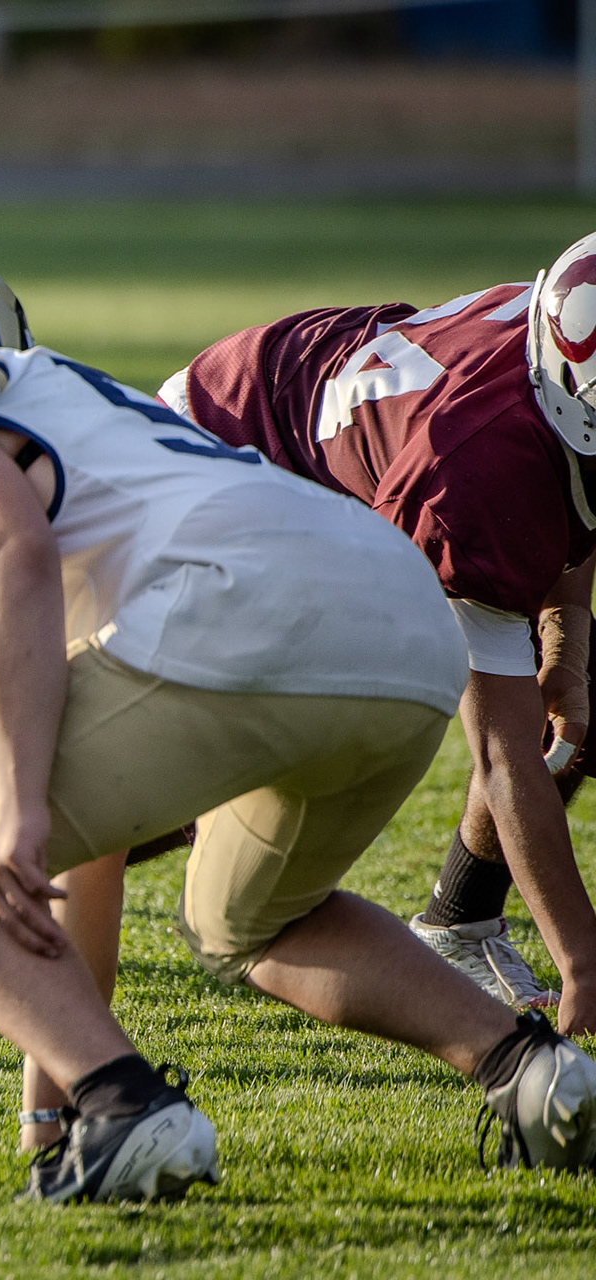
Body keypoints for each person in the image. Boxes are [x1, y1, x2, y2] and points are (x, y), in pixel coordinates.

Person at [0, 246, 596, 1201]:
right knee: (251, 921)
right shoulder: (71, 404)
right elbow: (94, 859)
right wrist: (49, 1113)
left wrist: (16, 815)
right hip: (405, 620)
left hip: (241, 607)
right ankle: (531, 1073)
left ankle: (128, 1104)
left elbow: (9, 547)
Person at [157, 235, 596, 1032]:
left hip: (346, 456)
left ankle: (461, 919)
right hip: (227, 459)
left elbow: (573, 492)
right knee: (216, 769)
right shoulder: (478, 474)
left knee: (578, 695)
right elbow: (502, 753)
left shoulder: (560, 355)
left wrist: (566, 633)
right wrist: (585, 969)